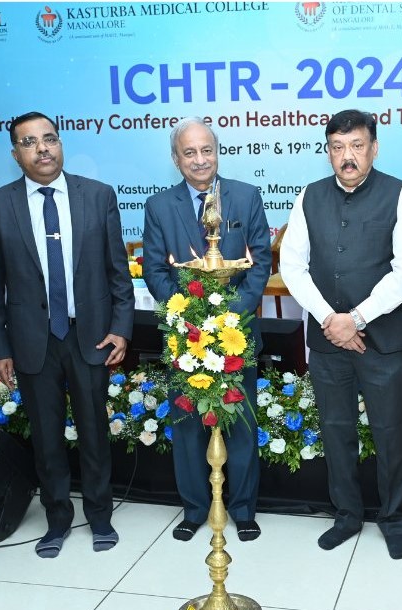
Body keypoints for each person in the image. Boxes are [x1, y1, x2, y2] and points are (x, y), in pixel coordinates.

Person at [0, 112, 134, 559]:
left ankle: (100, 515)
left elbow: (118, 272)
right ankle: (57, 520)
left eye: (49, 139)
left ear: (60, 144)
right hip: (33, 341)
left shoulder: (98, 195)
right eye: (30, 142)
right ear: (16, 154)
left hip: (90, 336)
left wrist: (121, 329)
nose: (42, 148)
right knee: (47, 439)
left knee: (94, 431)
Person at [281, 109, 402, 560]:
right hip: (328, 340)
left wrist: (356, 319)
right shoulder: (309, 196)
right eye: (338, 147)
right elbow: (292, 265)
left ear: (373, 148)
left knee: (388, 432)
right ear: (328, 152)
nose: (348, 156)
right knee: (336, 429)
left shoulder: (400, 194)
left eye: (357, 146)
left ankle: (394, 520)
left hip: (382, 341)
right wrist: (331, 319)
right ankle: (346, 515)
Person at [142, 118, 272, 543]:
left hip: (236, 332)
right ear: (175, 158)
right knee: (187, 425)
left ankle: (244, 509)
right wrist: (190, 316)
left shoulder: (246, 196)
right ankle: (195, 509)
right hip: (185, 335)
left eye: (206, 150)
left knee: (241, 423)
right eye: (190, 152)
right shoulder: (159, 206)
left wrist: (229, 313)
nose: (200, 160)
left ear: (217, 152)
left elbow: (260, 263)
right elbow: (155, 270)